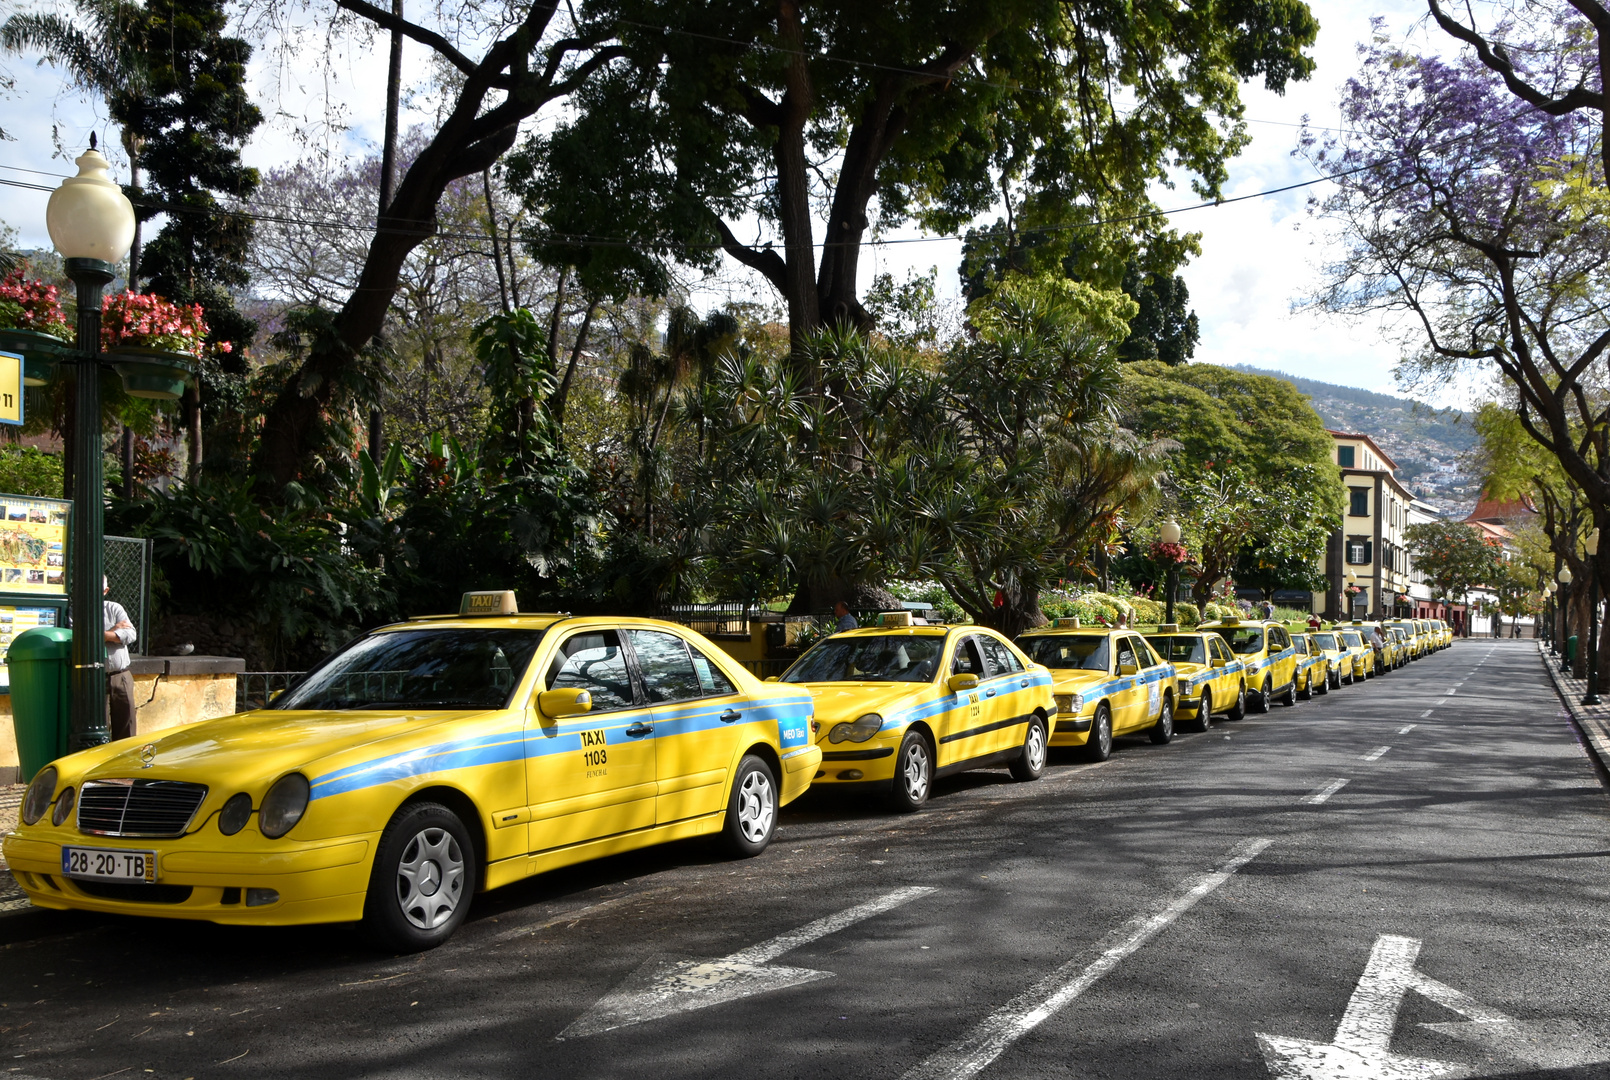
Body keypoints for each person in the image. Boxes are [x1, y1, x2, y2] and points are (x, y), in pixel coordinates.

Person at [103, 577, 137, 740]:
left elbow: (131, 634)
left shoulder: (114, 608)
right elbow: (79, 638)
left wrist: (103, 635)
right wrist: (114, 632)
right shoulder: (77, 610)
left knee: (126, 725)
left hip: (120, 675)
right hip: (94, 677)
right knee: (99, 727)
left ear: (106, 591)